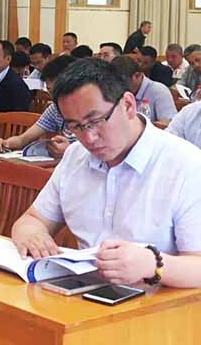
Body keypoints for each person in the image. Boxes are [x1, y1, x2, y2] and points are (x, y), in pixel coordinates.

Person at [11, 58, 201, 288]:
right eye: (75, 126)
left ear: (128, 105)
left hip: (158, 303)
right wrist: (32, 235)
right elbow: (33, 219)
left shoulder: (186, 165)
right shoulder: (76, 156)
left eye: (96, 121)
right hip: (82, 295)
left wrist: (154, 264)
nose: (88, 138)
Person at [0, 55, 77, 158]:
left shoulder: (91, 111)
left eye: (57, 91)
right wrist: (6, 143)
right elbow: (23, 139)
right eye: (49, 90)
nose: (53, 96)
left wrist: (70, 151)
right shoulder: (55, 109)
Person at [111, 55, 177, 122]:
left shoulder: (159, 91)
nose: (118, 86)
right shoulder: (114, 91)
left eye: (122, 82)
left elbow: (168, 124)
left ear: (137, 75)